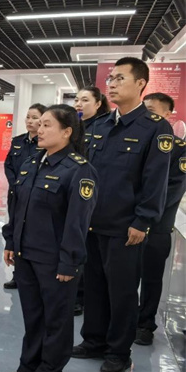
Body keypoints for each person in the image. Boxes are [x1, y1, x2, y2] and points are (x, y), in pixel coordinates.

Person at [73, 57, 172, 372]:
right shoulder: (99, 125)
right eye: (110, 79)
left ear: (140, 84)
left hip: (126, 226)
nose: (111, 84)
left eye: (119, 79)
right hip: (93, 222)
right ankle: (93, 340)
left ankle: (118, 350)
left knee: (123, 291)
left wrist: (143, 221)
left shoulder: (155, 127)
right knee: (95, 286)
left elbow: (156, 180)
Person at [1, 105, 98, 372]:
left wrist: (69, 262)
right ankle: (29, 368)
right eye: (39, 124)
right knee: (33, 317)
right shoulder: (32, 162)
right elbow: (17, 206)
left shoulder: (79, 170)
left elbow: (78, 222)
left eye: (47, 125)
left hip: (55, 260)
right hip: (26, 254)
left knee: (56, 321)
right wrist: (10, 241)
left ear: (67, 132)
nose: (39, 130)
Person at [135, 93, 186, 346]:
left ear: (167, 115)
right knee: (123, 276)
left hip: (156, 226)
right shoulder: (135, 142)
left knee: (151, 278)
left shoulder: (179, 150)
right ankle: (122, 320)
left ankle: (145, 324)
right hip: (127, 223)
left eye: (153, 111)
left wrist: (144, 215)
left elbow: (173, 190)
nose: (148, 116)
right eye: (145, 110)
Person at [72, 86, 112, 315]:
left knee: (90, 253)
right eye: (77, 99)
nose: (79, 104)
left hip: (95, 197)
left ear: (98, 104)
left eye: (85, 100)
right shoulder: (73, 126)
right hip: (72, 192)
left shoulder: (104, 128)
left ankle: (84, 296)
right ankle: (75, 293)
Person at [2, 103, 46, 289]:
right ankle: (17, 275)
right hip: (16, 194)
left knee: (31, 232)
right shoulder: (18, 141)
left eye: (35, 117)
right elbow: (8, 164)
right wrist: (16, 184)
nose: (30, 121)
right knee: (15, 230)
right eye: (28, 117)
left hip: (33, 196)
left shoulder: (45, 144)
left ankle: (34, 275)